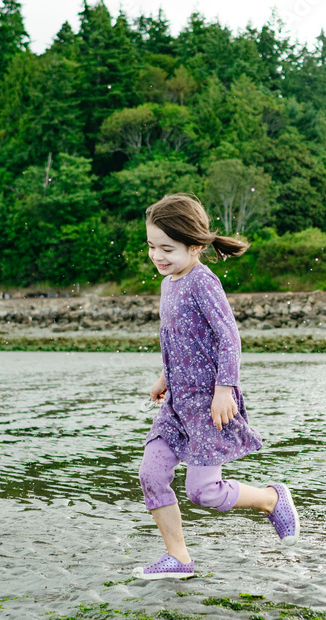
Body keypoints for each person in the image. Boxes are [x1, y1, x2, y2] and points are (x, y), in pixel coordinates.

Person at [133, 193, 299, 581]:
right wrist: (164, 377)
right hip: (177, 404)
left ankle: (272, 499)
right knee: (152, 475)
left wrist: (225, 388)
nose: (157, 256)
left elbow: (229, 338)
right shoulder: (168, 283)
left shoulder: (202, 281)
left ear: (194, 245)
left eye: (167, 249)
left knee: (203, 493)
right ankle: (178, 557)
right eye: (151, 247)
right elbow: (178, 339)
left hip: (210, 405)